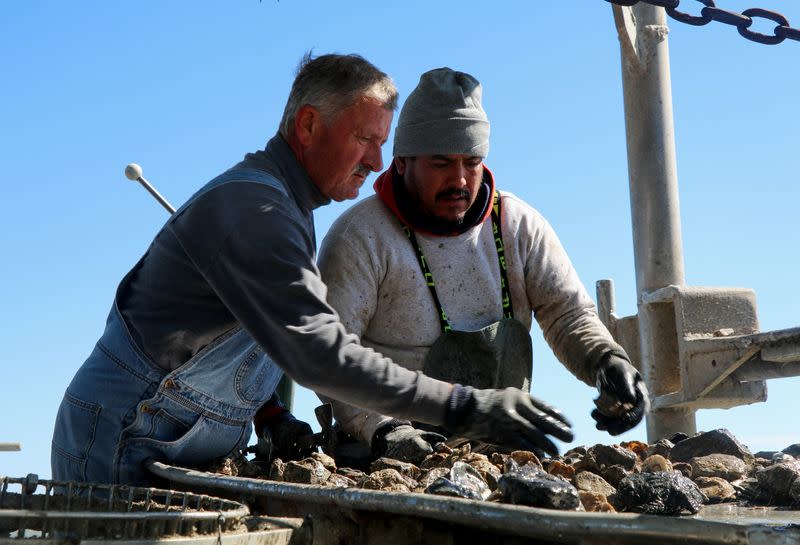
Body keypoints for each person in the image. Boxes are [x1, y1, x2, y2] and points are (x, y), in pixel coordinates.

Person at [51, 54, 574, 486]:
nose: (376, 160)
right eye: (365, 139)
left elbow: (260, 335)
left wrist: (270, 415)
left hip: (170, 438)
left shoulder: (287, 208)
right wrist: (464, 405)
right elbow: (319, 354)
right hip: (122, 434)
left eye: (383, 142)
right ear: (308, 124)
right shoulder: (256, 211)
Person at [317, 68, 648, 464]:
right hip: (386, 453)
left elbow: (567, 315)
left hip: (501, 450)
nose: (459, 179)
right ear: (403, 162)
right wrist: (384, 429)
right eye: (441, 162)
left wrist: (607, 361)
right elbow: (331, 358)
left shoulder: (517, 225)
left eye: (471, 161)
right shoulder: (360, 237)